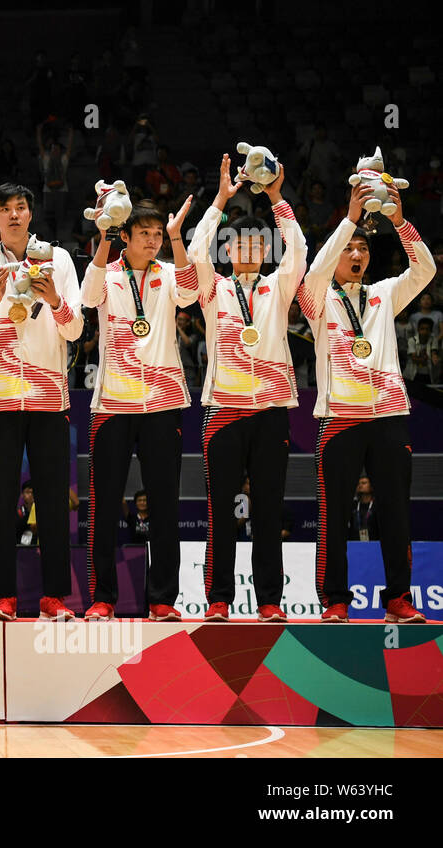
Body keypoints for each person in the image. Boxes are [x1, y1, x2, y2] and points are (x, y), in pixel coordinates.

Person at [299, 181, 434, 623]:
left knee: (394, 512)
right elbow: (315, 269)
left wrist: (398, 221)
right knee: (334, 514)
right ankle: (335, 599)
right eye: (348, 249)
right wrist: (350, 219)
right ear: (336, 251)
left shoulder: (383, 295)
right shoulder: (316, 299)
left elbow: (426, 270)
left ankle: (399, 598)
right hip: (339, 418)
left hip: (390, 416)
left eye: (362, 249)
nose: (356, 255)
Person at [187, 155, 306, 622]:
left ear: (266, 248)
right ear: (229, 249)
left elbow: (298, 251)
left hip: (273, 410)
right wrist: (220, 201)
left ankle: (271, 602)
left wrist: (275, 197)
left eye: (259, 242)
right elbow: (195, 251)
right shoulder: (212, 288)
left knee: (268, 510)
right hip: (223, 412)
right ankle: (218, 599)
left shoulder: (278, 288)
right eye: (240, 242)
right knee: (221, 511)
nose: (250, 248)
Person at [0, 183, 82, 621]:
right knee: (1, 501)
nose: (14, 215)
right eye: (5, 209)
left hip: (50, 399)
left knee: (51, 502)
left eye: (21, 207)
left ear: (30, 214)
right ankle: (4, 598)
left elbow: (74, 331)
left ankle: (53, 598)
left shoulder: (58, 259)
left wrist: (53, 299)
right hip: (0, 399)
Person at [81, 198, 199, 621]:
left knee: (165, 503)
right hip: (113, 403)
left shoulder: (169, 273)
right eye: (144, 234)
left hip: (164, 404)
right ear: (124, 237)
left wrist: (175, 238)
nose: (152, 241)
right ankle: (103, 598)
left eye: (156, 234)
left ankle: (163, 599)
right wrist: (103, 239)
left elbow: (191, 293)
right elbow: (86, 295)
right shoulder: (107, 275)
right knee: (105, 503)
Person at [406, 317, 441, 382]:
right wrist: (423, 359)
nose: (424, 331)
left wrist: (434, 358)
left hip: (428, 374)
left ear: (431, 331)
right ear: (418, 329)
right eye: (422, 329)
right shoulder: (412, 340)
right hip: (414, 374)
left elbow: (434, 353)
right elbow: (413, 358)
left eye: (427, 329)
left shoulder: (433, 340)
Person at [348, 476, 379, 542]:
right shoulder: (353, 505)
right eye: (358, 483)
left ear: (371, 486)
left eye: (364, 483)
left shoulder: (377, 505)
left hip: (374, 543)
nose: (360, 485)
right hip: (354, 543)